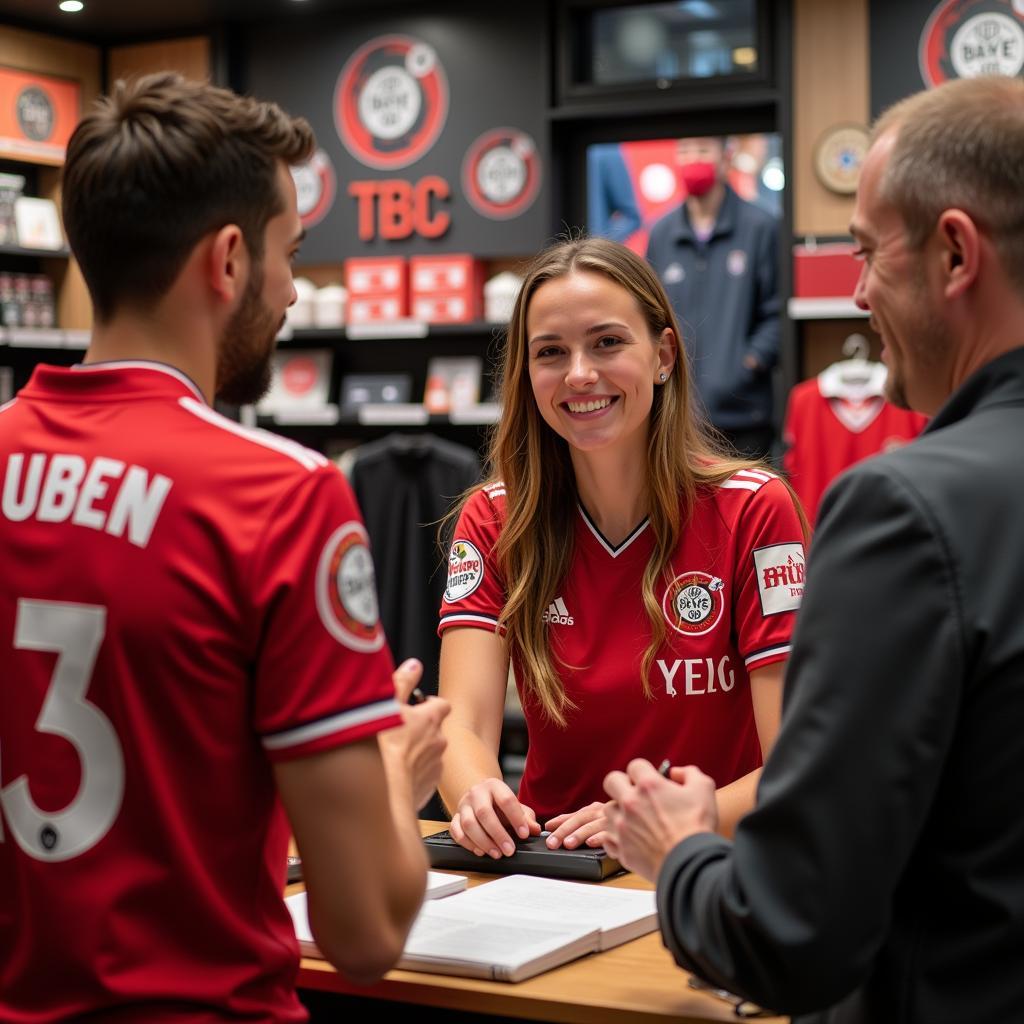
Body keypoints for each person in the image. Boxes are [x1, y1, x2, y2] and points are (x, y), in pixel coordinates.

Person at [0, 73, 449, 1023]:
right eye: (292, 254)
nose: (292, 289)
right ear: (229, 259)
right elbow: (365, 933)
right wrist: (390, 783)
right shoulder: (280, 495)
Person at [603, 75, 1024, 1024]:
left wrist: (679, 852)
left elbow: (788, 934)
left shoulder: (907, 509)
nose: (860, 291)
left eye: (870, 253)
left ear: (956, 253)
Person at [436, 236, 806, 861]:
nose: (580, 373)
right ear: (527, 376)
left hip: (704, 867)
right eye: (551, 352)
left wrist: (656, 822)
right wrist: (475, 794)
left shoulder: (753, 508)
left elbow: (796, 763)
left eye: (607, 342)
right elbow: (460, 725)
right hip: (549, 868)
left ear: (663, 355)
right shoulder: (495, 516)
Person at [646, 136, 780, 459]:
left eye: (703, 150)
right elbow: (650, 315)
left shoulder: (761, 227)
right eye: (685, 151)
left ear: (726, 157)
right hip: (677, 420)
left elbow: (777, 313)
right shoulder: (662, 233)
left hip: (744, 418)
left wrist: (746, 363)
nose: (693, 159)